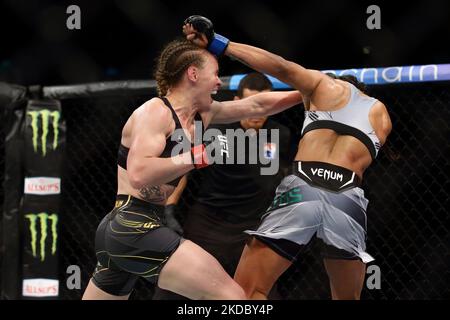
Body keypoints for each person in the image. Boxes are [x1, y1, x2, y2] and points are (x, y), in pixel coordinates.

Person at [183, 16, 392, 300]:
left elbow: (280, 66)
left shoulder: (326, 86)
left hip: (304, 186)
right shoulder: (381, 115)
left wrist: (222, 44)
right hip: (347, 197)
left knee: (248, 292)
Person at [81, 39, 303, 300]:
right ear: (193, 74)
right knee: (233, 297)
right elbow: (139, 173)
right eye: (216, 74)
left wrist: (309, 91)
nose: (219, 82)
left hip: (131, 229)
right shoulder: (155, 112)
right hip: (132, 224)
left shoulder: (201, 115)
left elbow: (258, 105)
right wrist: (196, 157)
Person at [153, 72, 295, 299]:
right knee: (176, 288)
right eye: (253, 105)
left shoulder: (280, 134)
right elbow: (183, 171)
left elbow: (284, 176)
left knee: (259, 293)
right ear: (238, 102)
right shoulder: (215, 131)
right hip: (210, 226)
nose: (259, 112)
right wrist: (168, 208)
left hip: (252, 229)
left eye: (265, 106)